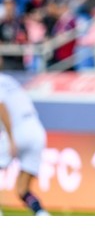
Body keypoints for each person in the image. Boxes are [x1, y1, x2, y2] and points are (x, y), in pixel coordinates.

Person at [0, 69, 49, 216]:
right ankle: (42, 215)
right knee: (23, 190)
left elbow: (2, 107)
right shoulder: (9, 80)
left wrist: (10, 137)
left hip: (17, 130)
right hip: (36, 130)